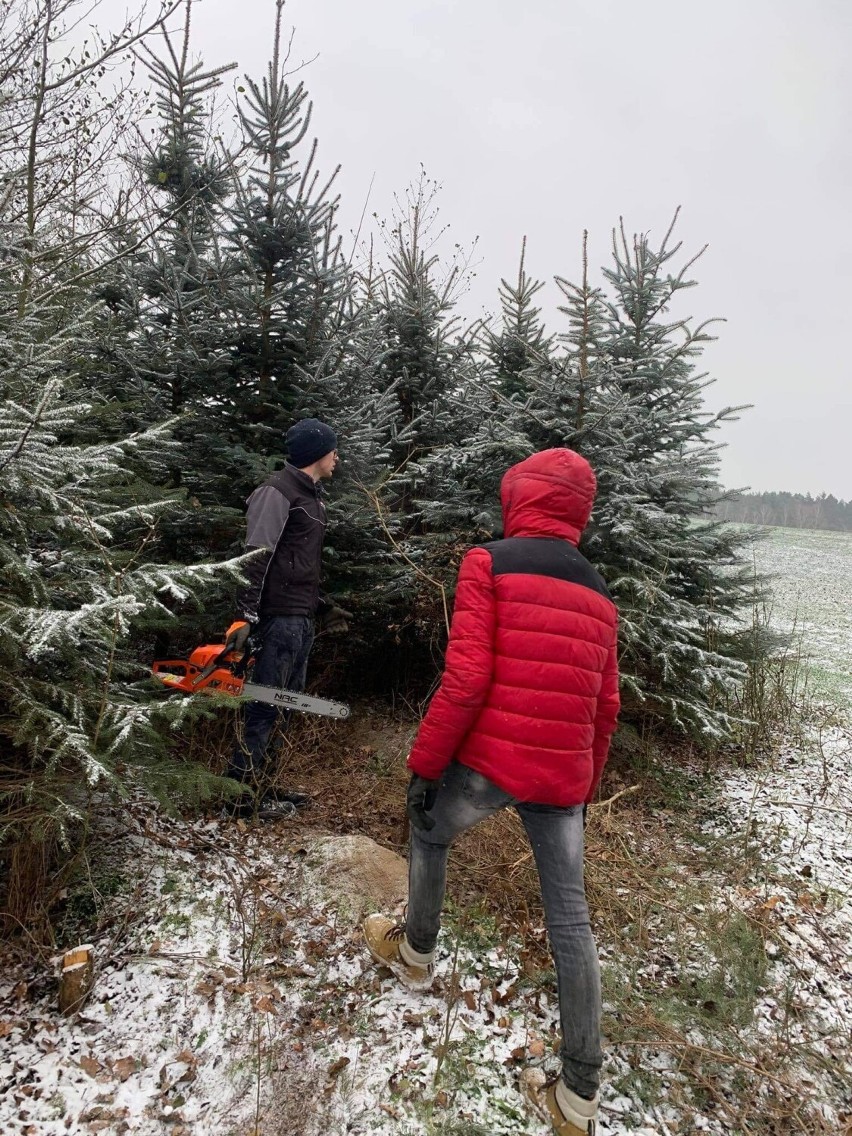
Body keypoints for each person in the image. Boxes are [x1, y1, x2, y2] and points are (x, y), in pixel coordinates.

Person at [362, 448, 620, 1136]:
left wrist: (426, 764)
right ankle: (579, 1097)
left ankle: (415, 954)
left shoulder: (489, 562)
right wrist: (584, 783)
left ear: (521, 498)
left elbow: (469, 677)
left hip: (489, 764)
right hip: (562, 775)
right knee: (572, 919)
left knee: (428, 829)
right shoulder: (599, 592)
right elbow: (606, 705)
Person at [225, 417, 350, 818]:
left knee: (285, 704)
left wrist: (321, 605)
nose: (337, 458)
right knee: (264, 705)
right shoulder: (276, 492)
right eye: (333, 450)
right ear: (318, 453)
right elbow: (256, 556)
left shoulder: (312, 498)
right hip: (277, 619)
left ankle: (264, 785)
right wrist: (244, 615)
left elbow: (295, 566)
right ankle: (240, 799)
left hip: (299, 619)